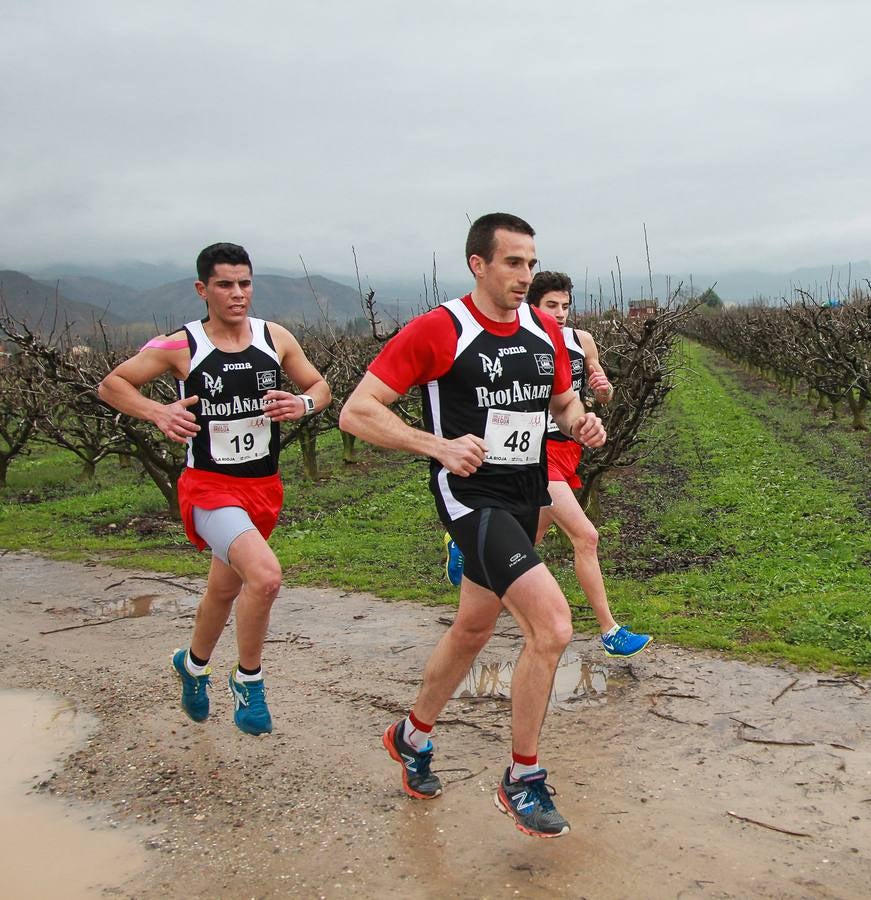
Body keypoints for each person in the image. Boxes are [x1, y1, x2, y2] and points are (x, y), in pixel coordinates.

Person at [339, 213, 605, 838]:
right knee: (553, 625)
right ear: (477, 264)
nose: (525, 276)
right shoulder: (441, 329)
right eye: (513, 263)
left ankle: (411, 735)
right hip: (470, 499)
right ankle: (523, 777)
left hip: (525, 495)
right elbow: (357, 411)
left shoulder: (544, 330)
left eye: (531, 263)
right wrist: (435, 446)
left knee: (473, 627)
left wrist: (579, 421)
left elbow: (561, 401)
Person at [98, 242, 331, 736]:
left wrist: (303, 405)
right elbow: (113, 385)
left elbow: (320, 387)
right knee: (265, 577)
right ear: (203, 290)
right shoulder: (181, 345)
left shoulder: (276, 337)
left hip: (263, 489)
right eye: (225, 285)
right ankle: (249, 680)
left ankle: (193, 664)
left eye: (244, 283)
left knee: (224, 590)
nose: (237, 294)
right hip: (208, 487)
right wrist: (159, 411)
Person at [526, 271, 650, 658]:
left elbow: (604, 392)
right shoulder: (525, 340)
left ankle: (469, 544)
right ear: (534, 305)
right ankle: (610, 631)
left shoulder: (583, 340)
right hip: (536, 450)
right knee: (587, 537)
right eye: (551, 306)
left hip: (570, 448)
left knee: (529, 539)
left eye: (565, 305)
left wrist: (603, 389)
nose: (560, 313)